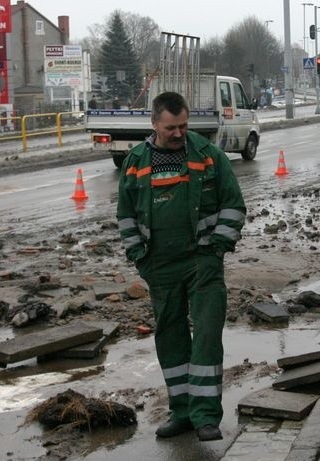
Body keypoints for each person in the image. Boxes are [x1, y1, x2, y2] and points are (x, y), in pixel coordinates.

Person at [116, 91, 245, 442]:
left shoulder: (208, 156)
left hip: (202, 261)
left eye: (183, 126)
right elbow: (125, 215)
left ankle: (206, 417)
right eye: (171, 127)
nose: (178, 133)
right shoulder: (137, 161)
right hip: (160, 264)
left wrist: (217, 248)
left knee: (206, 335)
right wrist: (140, 258)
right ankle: (182, 412)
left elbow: (234, 205)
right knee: (170, 337)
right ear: (155, 124)